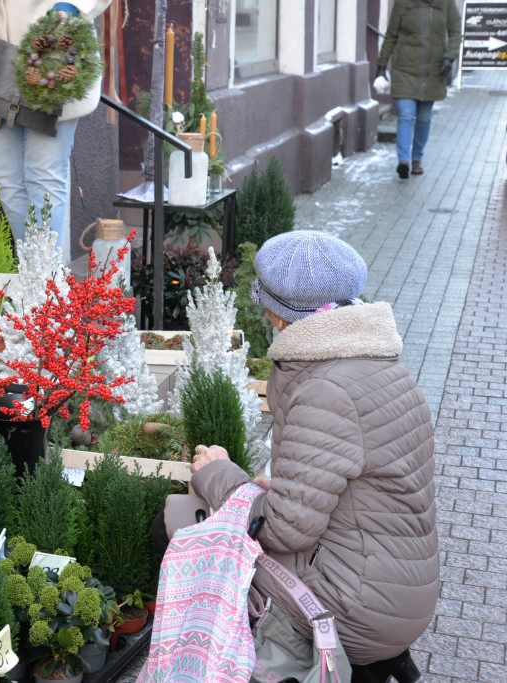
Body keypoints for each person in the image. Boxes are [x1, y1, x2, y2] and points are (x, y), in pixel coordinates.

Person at [181, 231, 437, 677]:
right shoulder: (374, 360)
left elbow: (285, 530)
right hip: (399, 589)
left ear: (279, 315)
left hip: (356, 605)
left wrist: (219, 473)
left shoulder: (324, 389)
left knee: (185, 526)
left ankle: (235, 658)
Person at [0, 0, 111, 257]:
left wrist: (70, 8)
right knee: (6, 181)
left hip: (52, 56)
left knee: (45, 178)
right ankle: (36, 270)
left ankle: (43, 275)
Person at [375, 0, 461, 179]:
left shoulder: (446, 3)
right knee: (406, 115)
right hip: (405, 69)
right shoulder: (403, 3)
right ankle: (403, 160)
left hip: (433, 71)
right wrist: (381, 65)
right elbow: (391, 35)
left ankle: (417, 159)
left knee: (423, 118)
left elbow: (455, 32)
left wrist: (449, 57)